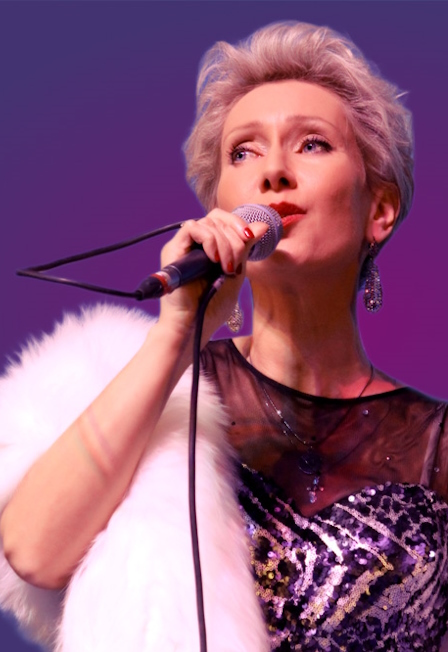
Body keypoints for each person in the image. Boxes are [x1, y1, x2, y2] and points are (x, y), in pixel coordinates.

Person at [0, 20, 447, 652]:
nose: (274, 172)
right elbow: (31, 553)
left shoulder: (436, 440)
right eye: (244, 152)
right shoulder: (149, 389)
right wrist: (177, 333)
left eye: (312, 144)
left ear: (379, 210)